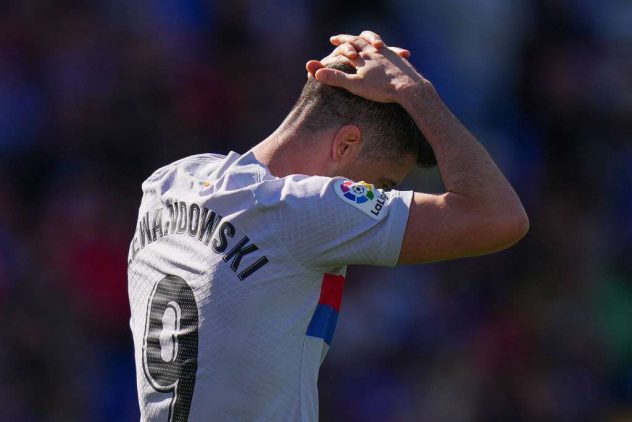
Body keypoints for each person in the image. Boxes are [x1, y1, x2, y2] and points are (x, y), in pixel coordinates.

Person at [127, 31, 528, 421]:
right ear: (345, 144)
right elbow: (499, 217)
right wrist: (417, 93)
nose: (379, 196)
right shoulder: (304, 208)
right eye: (384, 185)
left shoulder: (168, 183)